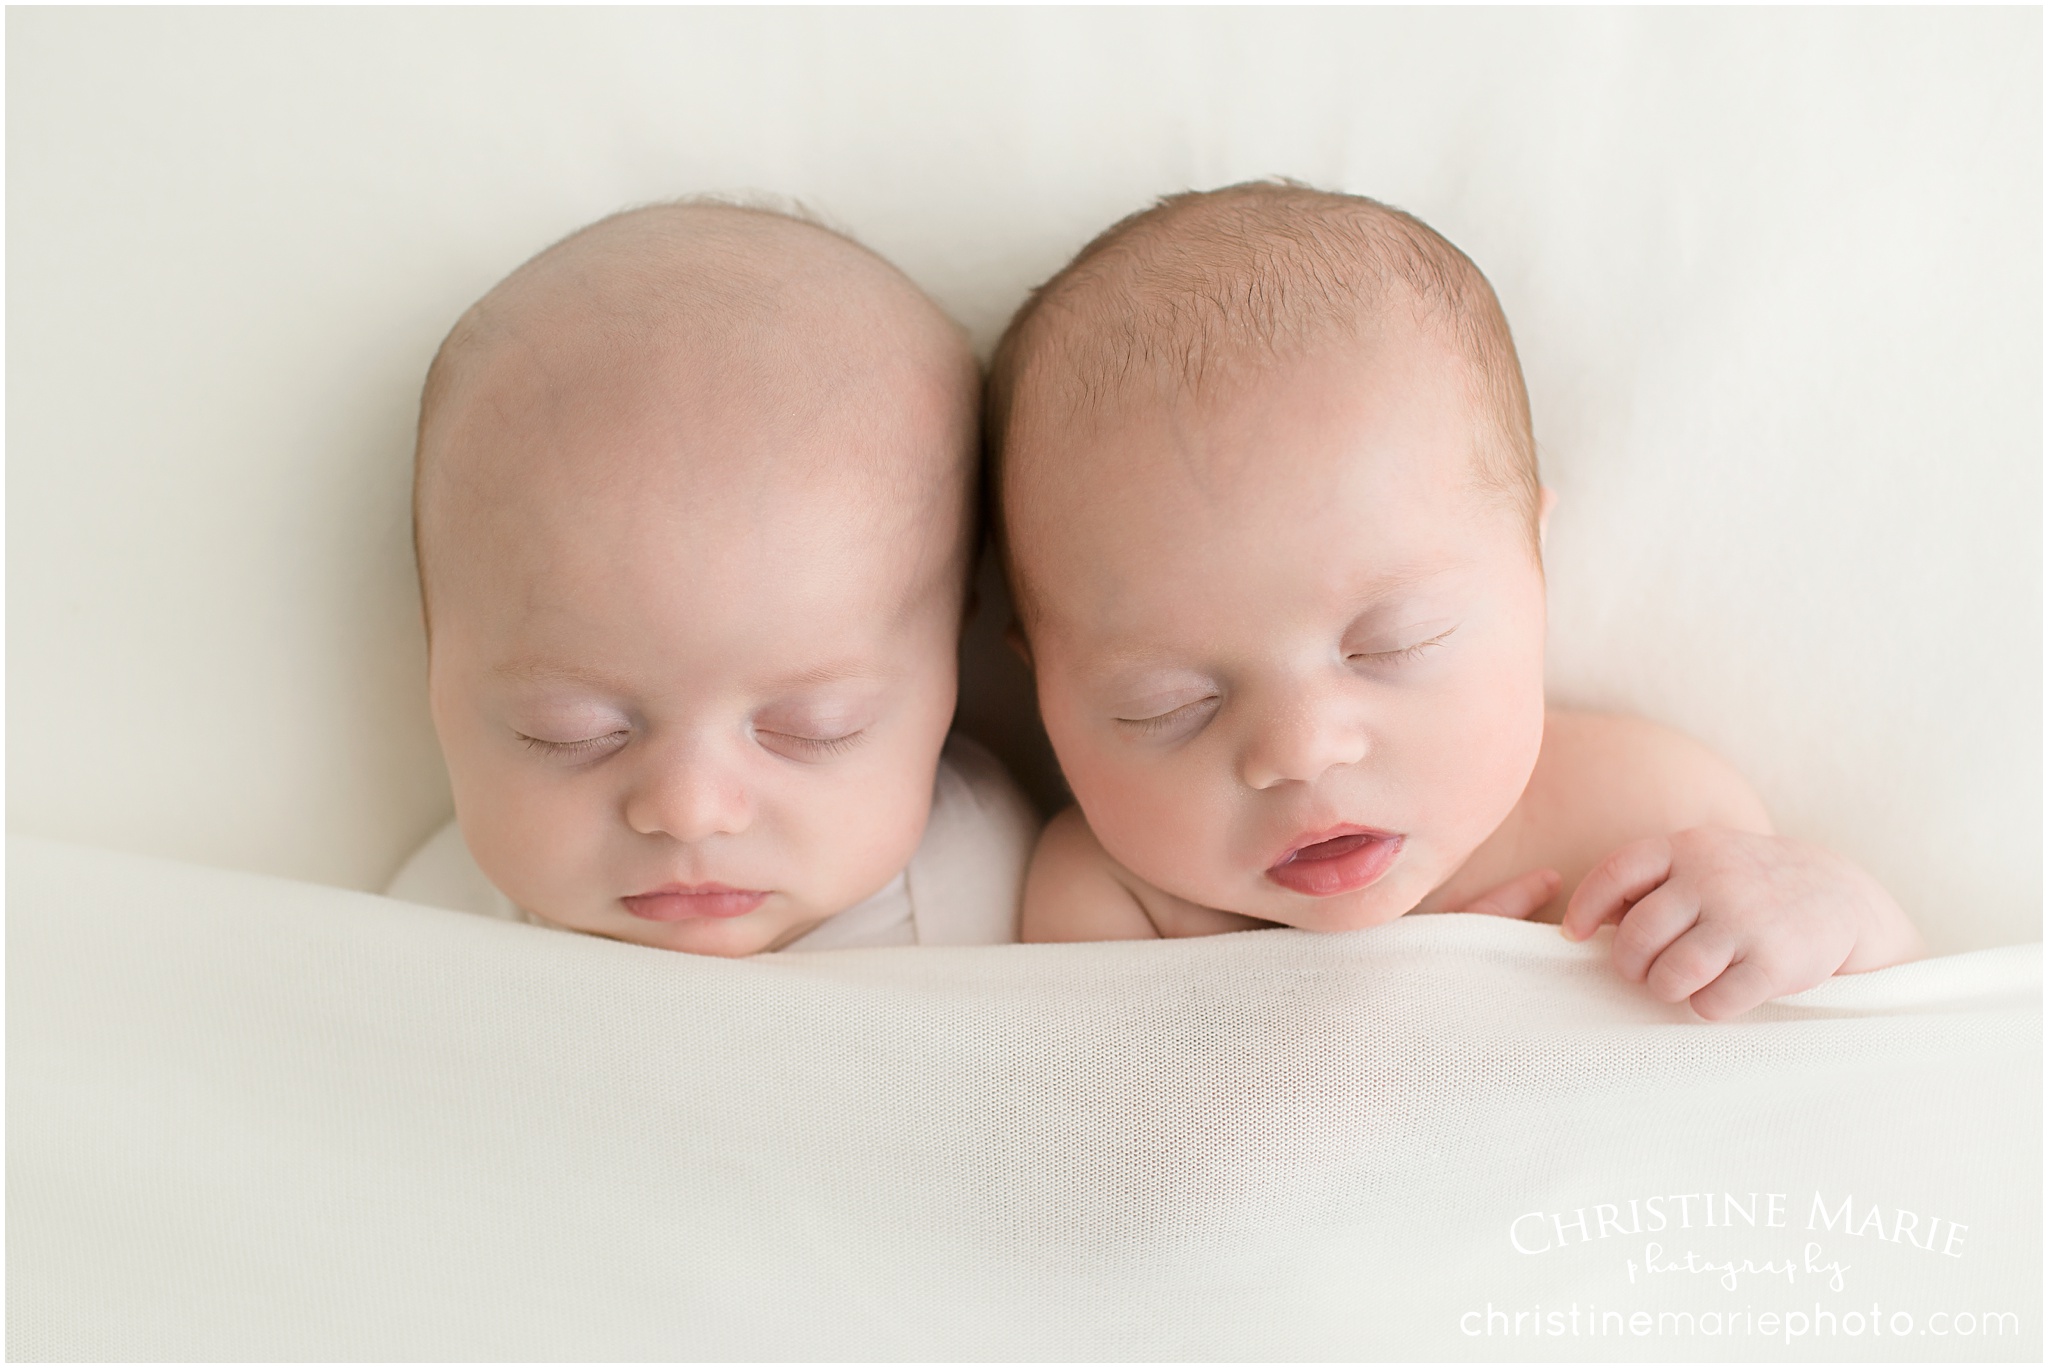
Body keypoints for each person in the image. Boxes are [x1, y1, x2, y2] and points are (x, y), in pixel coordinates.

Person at [988, 180, 1921, 1018]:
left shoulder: (1647, 817)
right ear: (1046, 690)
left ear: (1533, 569)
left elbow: (1858, 1074)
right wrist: (1389, 1021)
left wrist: (1843, 921)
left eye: (1394, 642)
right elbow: (1121, 1178)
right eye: (1169, 705)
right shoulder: (1117, 901)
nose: (1302, 751)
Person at [388, 201, 1037, 956]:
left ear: (952, 669)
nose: (690, 811)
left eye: (812, 727)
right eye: (570, 732)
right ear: (436, 665)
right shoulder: (426, 934)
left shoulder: (1002, 899)